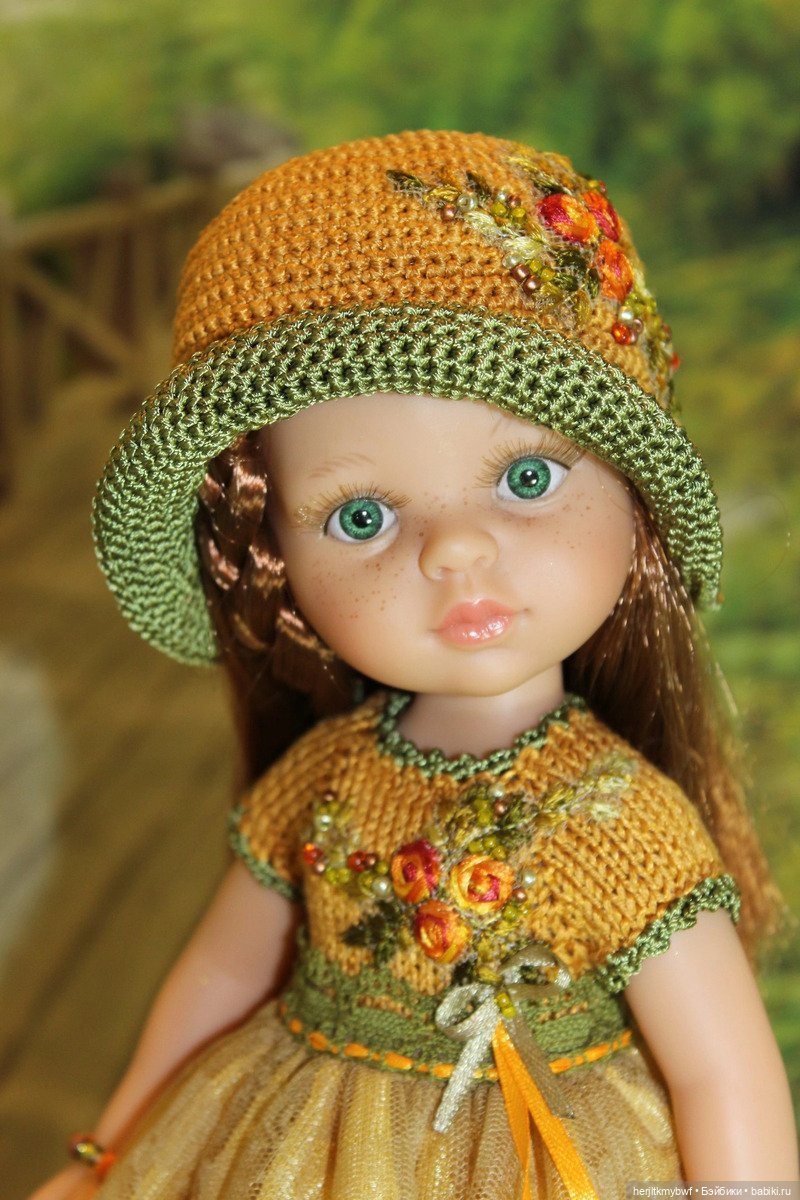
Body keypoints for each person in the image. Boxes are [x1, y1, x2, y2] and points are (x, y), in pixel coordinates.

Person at [31, 131, 797, 1199]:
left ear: (632, 502)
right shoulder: (324, 778)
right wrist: (104, 1156)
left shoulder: (615, 819)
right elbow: (218, 971)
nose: (456, 551)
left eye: (526, 477)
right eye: (361, 515)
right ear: (268, 556)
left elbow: (723, 1072)